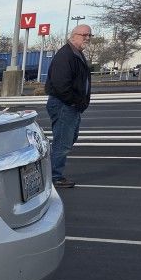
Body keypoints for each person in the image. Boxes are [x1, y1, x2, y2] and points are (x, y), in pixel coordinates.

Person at [45, 24, 93, 188]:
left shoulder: (76, 54)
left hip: (70, 105)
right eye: (84, 35)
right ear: (74, 35)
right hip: (64, 105)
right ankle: (53, 177)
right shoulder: (66, 55)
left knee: (68, 139)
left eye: (89, 35)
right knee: (62, 142)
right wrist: (74, 101)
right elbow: (60, 84)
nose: (87, 38)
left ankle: (51, 173)